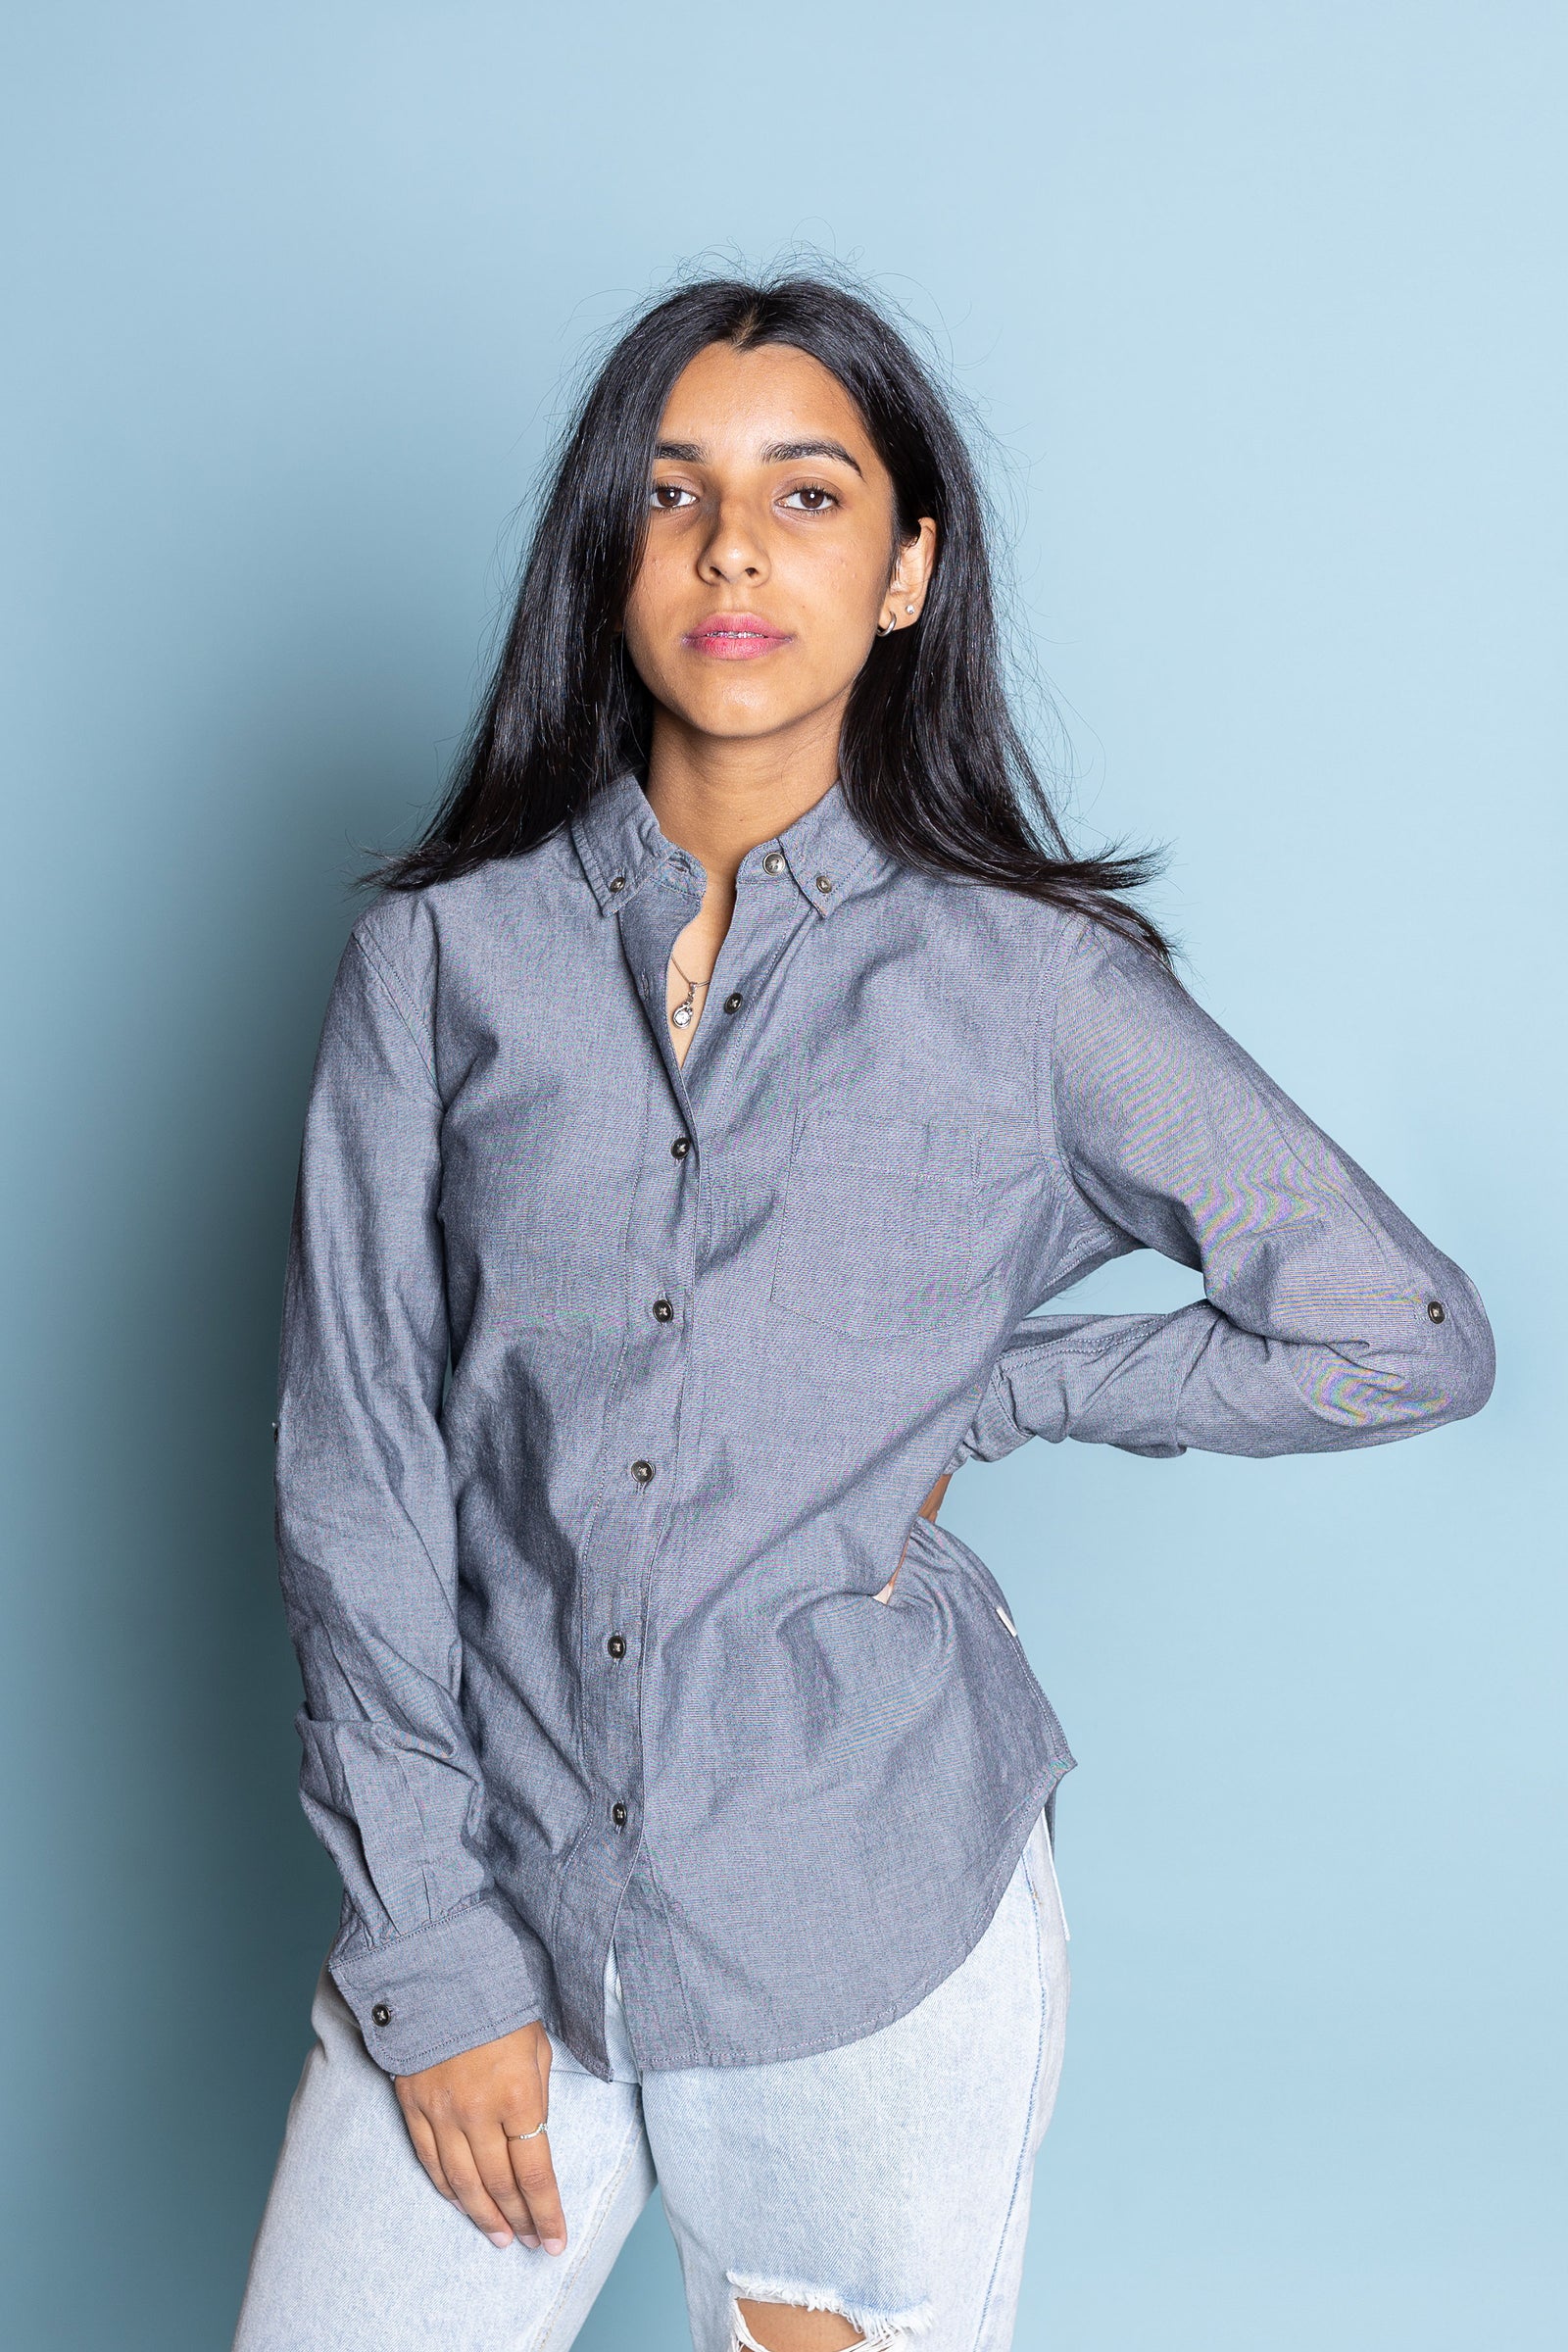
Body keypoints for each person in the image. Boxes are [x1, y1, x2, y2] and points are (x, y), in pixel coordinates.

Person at [232, 272, 1494, 2352]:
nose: (734, 546)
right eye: (673, 494)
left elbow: (1396, 1332)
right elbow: (357, 1468)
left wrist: (987, 1399)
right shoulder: (443, 969)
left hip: (863, 1920)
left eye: (805, 493)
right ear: (607, 560)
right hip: (485, 1896)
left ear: (905, 569)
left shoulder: (1027, 989)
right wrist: (434, 1958)